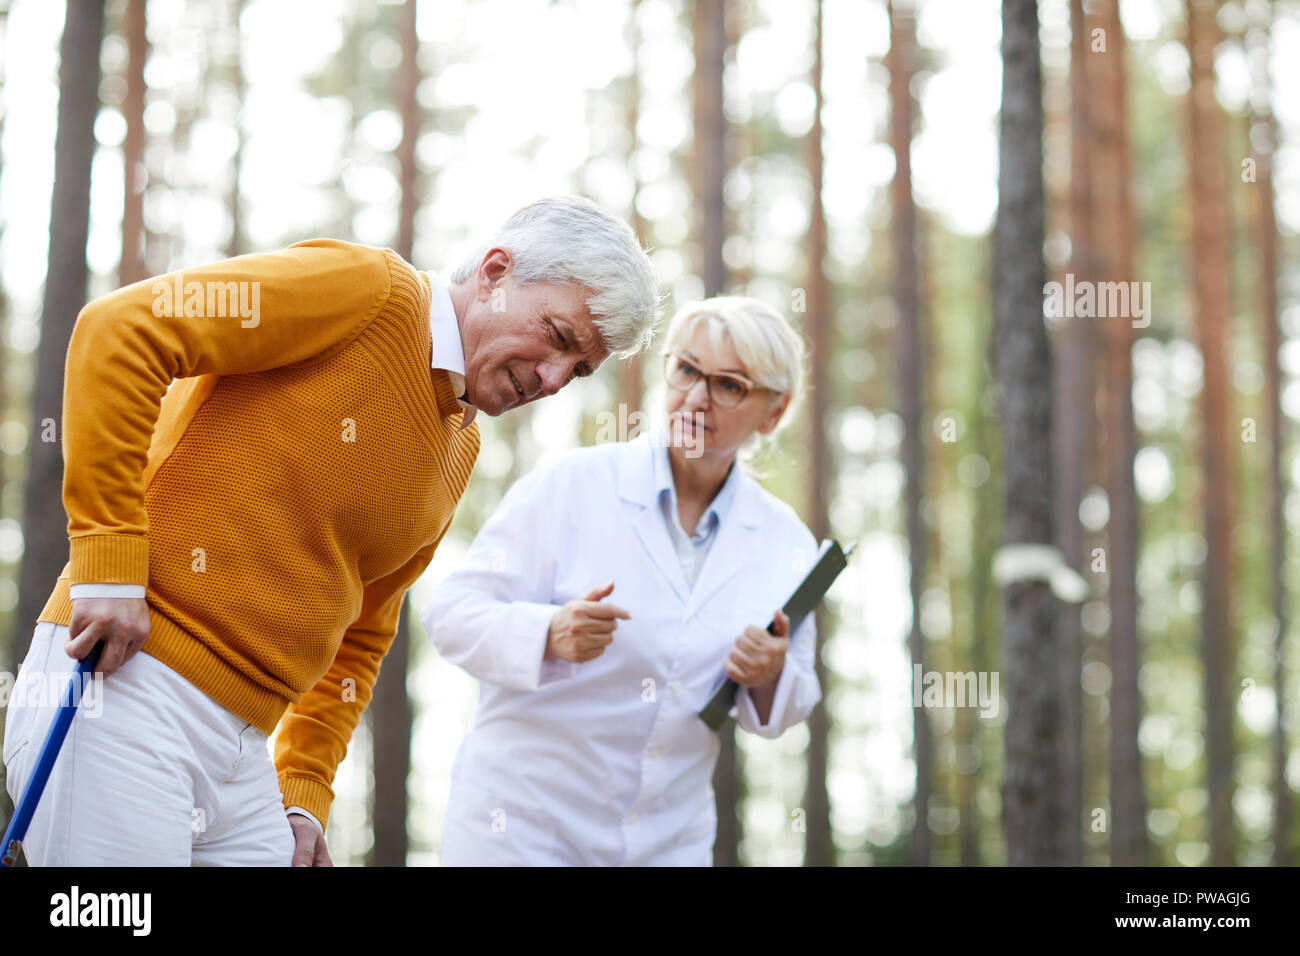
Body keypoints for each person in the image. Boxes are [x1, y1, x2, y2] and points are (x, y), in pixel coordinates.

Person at [2, 195, 658, 866]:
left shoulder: (462, 446)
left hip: (243, 749)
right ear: (494, 272)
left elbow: (365, 631)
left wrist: (304, 785)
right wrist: (108, 560)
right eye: (558, 335)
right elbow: (122, 329)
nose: (554, 379)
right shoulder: (372, 292)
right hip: (126, 682)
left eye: (580, 370)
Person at [424, 295, 821, 866]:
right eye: (686, 369)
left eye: (729, 384)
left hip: (668, 843)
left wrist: (772, 674)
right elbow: (450, 614)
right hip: (522, 833)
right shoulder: (571, 485)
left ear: (773, 412)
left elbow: (789, 704)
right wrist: (548, 632)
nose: (696, 398)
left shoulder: (785, 543)